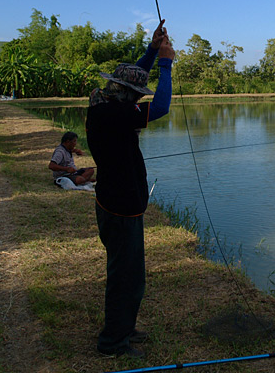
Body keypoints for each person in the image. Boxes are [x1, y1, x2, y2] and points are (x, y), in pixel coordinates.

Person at [85, 19, 174, 358]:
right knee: (126, 277)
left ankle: (124, 328)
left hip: (117, 203)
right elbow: (162, 106)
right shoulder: (117, 115)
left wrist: (153, 49)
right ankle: (112, 343)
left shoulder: (105, 104)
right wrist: (165, 63)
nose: (139, 97)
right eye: (137, 94)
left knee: (130, 274)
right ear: (127, 94)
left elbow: (132, 76)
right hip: (120, 207)